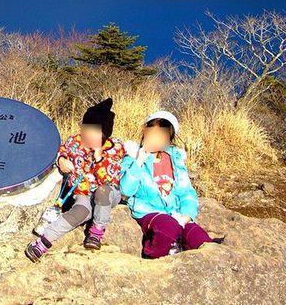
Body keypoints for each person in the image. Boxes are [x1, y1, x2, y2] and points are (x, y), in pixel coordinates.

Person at [25, 98, 125, 261]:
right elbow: (60, 151)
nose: (88, 134)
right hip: (82, 193)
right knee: (79, 212)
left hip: (108, 193)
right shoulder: (75, 142)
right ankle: (43, 242)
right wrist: (62, 160)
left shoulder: (114, 149)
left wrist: (98, 157)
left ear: (104, 134)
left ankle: (96, 232)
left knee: (103, 192)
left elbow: (110, 179)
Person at [120, 110, 223, 258]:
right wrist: (139, 161)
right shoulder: (132, 157)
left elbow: (186, 192)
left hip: (175, 213)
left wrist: (187, 215)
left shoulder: (175, 160)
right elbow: (126, 190)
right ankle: (153, 257)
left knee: (199, 237)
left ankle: (183, 248)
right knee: (168, 227)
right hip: (149, 212)